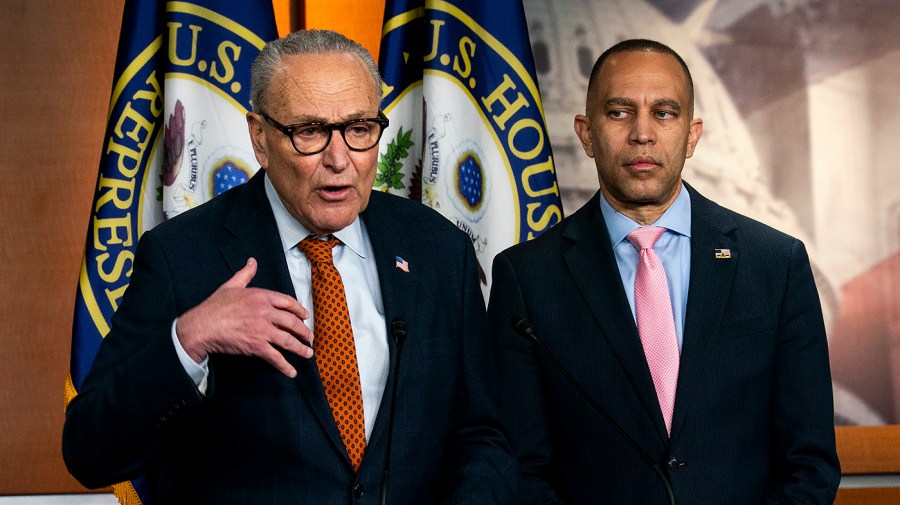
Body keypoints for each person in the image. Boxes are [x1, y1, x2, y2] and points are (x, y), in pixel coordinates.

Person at [64, 29, 517, 504]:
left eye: (359, 129)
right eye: (310, 132)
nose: (339, 159)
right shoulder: (182, 255)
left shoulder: (437, 249)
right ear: (260, 138)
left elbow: (482, 434)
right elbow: (89, 451)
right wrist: (190, 338)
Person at [488, 39, 840, 504]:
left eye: (664, 113)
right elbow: (521, 469)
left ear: (692, 135)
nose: (642, 134)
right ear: (586, 133)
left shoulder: (776, 266)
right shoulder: (527, 277)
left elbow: (809, 465)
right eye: (619, 112)